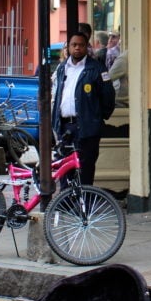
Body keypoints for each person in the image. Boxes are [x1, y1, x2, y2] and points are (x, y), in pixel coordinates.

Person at [51, 31, 116, 186]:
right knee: (64, 167)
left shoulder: (97, 69)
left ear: (87, 47)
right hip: (65, 126)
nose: (77, 48)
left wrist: (97, 118)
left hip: (87, 127)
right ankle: (66, 203)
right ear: (68, 47)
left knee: (85, 168)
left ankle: (84, 205)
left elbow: (108, 97)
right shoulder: (62, 68)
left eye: (81, 45)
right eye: (74, 45)